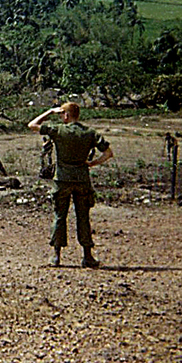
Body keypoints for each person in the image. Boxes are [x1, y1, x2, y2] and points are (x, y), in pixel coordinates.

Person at [28, 102, 114, 268]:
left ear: (66, 115)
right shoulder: (90, 133)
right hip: (82, 179)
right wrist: (92, 163)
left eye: (62, 114)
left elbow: (32, 125)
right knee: (83, 217)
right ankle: (87, 256)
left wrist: (49, 111)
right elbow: (108, 153)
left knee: (60, 216)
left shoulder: (59, 130)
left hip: (62, 179)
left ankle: (56, 256)